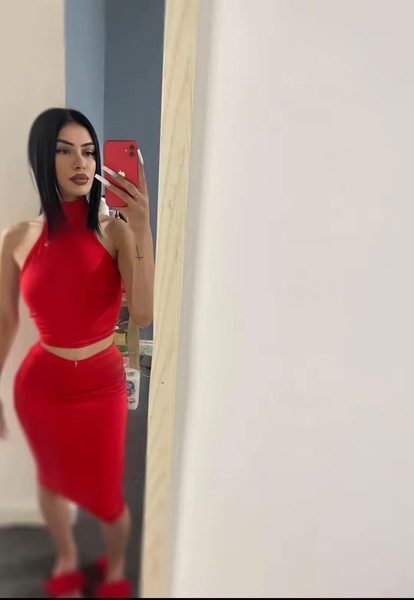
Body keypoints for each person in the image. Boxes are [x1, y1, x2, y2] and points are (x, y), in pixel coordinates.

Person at [0, 108, 155, 598]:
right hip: (41, 387)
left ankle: (115, 571)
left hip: (101, 384)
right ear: (42, 159)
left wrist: (143, 227)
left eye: (88, 152)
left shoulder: (115, 232)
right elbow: (6, 320)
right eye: (65, 151)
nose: (81, 163)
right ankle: (66, 556)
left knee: (108, 497)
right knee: (50, 483)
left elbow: (143, 313)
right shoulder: (17, 238)